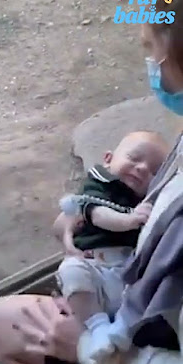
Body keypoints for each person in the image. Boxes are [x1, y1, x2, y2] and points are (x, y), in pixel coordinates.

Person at [0, 0, 183, 364]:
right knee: (4, 318)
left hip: (139, 345)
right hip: (138, 307)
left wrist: (87, 346)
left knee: (4, 325)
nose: (151, 66)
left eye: (150, 49)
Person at [54, 131, 168, 325]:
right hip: (93, 265)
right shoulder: (100, 184)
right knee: (71, 271)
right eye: (134, 158)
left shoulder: (149, 200)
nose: (141, 168)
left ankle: (120, 329)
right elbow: (99, 215)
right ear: (108, 159)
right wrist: (130, 220)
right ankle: (97, 328)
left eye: (154, 171)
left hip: (125, 273)